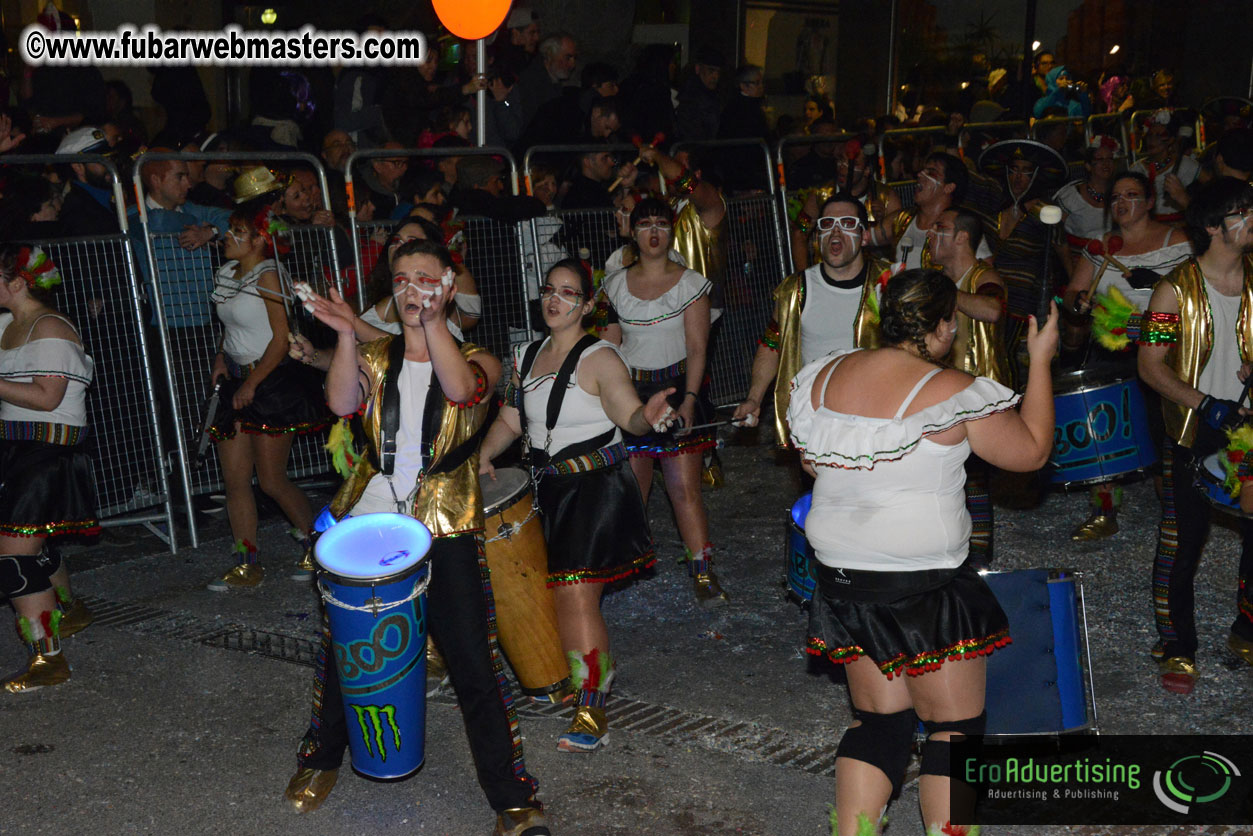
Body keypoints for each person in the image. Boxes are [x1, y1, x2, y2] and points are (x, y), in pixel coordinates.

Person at [284, 241, 551, 836]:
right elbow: (341, 401)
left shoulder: (481, 359)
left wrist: (433, 323)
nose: (412, 290)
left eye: (425, 279)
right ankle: (321, 758)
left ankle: (512, 796)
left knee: (472, 660)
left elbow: (460, 392)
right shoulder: (375, 354)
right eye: (402, 279)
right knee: (349, 649)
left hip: (445, 523)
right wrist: (345, 335)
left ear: (448, 286)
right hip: (372, 518)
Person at [789, 268, 1057, 836]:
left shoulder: (824, 375)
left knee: (880, 724)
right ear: (941, 327)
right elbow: (1031, 452)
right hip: (924, 583)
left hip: (845, 579)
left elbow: (812, 462)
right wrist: (1040, 360)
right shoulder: (951, 392)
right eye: (951, 325)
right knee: (954, 728)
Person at [480, 258, 674, 753]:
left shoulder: (602, 358)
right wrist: (484, 455)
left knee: (576, 596)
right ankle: (584, 677)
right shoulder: (525, 355)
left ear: (587, 305)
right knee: (552, 595)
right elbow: (511, 419)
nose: (554, 299)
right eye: (549, 289)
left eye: (568, 293)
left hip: (594, 490)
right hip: (546, 490)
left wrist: (648, 417)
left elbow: (629, 416)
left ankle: (591, 711)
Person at [1137, 177, 1253, 695]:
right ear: (1212, 226)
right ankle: (1177, 645)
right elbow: (1150, 365)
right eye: (1241, 212)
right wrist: (1205, 404)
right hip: (1193, 429)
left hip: (1249, 431)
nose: (1252, 219)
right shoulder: (1171, 290)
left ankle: (1246, 629)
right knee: (1182, 541)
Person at [596, 198, 725, 605]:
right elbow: (608, 348)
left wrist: (690, 399)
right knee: (633, 488)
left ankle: (702, 571)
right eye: (645, 224)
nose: (654, 232)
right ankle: (628, 566)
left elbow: (698, 348)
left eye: (662, 224)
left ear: (671, 233)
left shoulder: (691, 283)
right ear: (633, 233)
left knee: (683, 489)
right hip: (632, 394)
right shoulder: (614, 285)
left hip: (676, 389)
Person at [1061, 171, 1193, 541]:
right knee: (1105, 427)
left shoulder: (1178, 241)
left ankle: (1173, 515)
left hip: (1163, 343)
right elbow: (1072, 291)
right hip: (1111, 345)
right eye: (1116, 196)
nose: (1121, 202)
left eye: (1131, 195)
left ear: (1150, 202)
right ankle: (1104, 511)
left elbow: (1195, 297)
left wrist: (1156, 304)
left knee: (1163, 430)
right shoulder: (1101, 244)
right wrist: (1078, 302)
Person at [204, 203, 327, 590]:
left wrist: (253, 383)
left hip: (271, 381)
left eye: (237, 230)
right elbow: (230, 327)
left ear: (260, 239)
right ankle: (246, 563)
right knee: (235, 479)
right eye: (229, 228)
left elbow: (281, 338)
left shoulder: (270, 274)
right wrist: (221, 357)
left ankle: (318, 547)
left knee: (272, 479)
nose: (227, 236)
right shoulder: (228, 273)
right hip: (238, 378)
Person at [0, 246, 98, 692]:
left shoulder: (52, 327)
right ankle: (70, 609)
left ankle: (48, 659)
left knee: (12, 557)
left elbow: (47, 398)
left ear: (18, 282)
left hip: (48, 455)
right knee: (31, 546)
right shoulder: (7, 323)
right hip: (17, 450)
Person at [733, 193, 889, 449]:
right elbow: (772, 345)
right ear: (817, 236)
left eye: (847, 223)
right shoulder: (795, 290)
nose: (836, 232)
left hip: (879, 419)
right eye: (827, 224)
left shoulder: (889, 283)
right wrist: (753, 399)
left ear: (864, 236)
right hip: (818, 425)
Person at [926, 209, 1009, 566]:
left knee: (973, 481)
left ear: (962, 237)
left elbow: (992, 310)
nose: (930, 234)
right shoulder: (939, 280)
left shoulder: (983, 276)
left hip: (979, 398)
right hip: (942, 394)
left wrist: (942, 294)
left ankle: (977, 564)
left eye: (940, 228)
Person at [1053, 135, 1118, 265]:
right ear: (1088, 166)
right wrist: (1070, 270)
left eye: (1109, 159)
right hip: (1078, 263)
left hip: (1115, 262)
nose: (1106, 164)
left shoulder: (1121, 194)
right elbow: (1056, 236)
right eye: (1100, 159)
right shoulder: (1070, 196)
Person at [1131, 109, 1200, 225]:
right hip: (1150, 227)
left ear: (1171, 139)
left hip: (1180, 226)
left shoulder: (1185, 163)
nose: (1152, 140)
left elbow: (1212, 185)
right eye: (1149, 136)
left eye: (1158, 136)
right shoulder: (1136, 169)